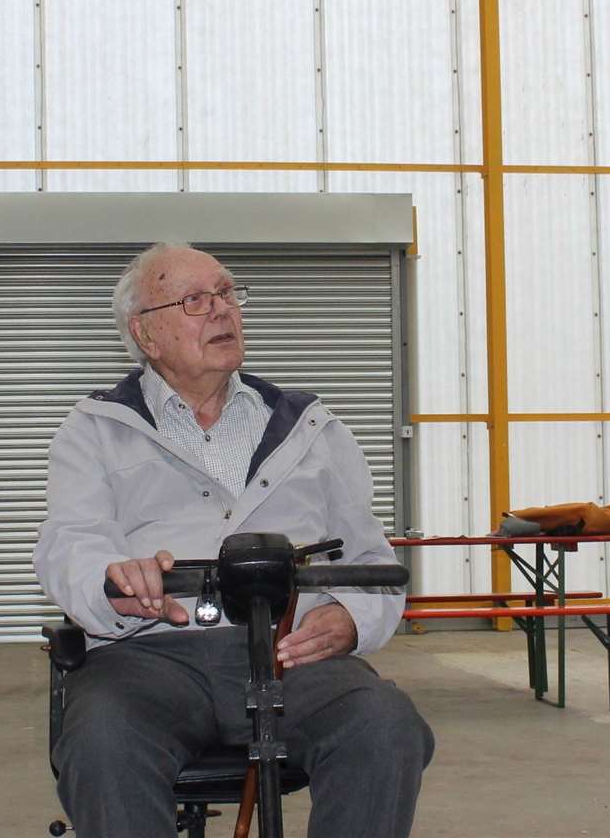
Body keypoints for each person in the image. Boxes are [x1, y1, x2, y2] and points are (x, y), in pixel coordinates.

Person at [34, 242, 434, 837]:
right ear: (146, 334)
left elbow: (369, 557)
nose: (223, 310)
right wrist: (111, 580)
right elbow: (70, 541)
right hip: (148, 655)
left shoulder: (312, 427)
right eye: (196, 299)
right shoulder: (95, 430)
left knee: (384, 724)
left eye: (227, 293)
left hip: (291, 655)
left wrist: (352, 618)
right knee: (101, 741)